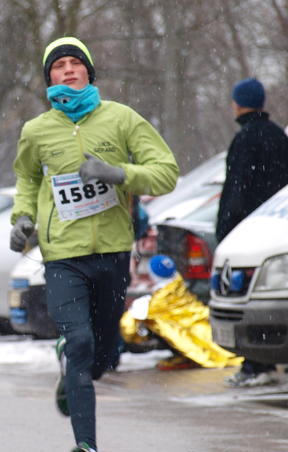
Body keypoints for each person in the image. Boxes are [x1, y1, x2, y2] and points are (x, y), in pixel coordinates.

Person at [9, 36, 179, 452]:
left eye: (75, 63)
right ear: (49, 78)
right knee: (81, 343)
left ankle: (74, 362)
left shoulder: (121, 119)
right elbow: (27, 179)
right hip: (62, 255)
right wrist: (22, 218)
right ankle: (87, 450)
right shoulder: (36, 130)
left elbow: (167, 172)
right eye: (58, 66)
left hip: (112, 252)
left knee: (102, 354)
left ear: (88, 72)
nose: (67, 70)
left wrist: (120, 173)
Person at [216, 78, 288, 388]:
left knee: (244, 302)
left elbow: (237, 189)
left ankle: (256, 364)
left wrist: (226, 229)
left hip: (250, 232)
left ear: (238, 103)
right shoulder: (278, 135)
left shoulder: (245, 138)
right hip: (276, 231)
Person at [120, 255, 242, 371]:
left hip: (191, 332)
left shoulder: (159, 300)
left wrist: (135, 312)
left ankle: (185, 355)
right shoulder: (177, 284)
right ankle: (184, 356)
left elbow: (129, 329)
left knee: (153, 324)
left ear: (153, 275)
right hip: (204, 325)